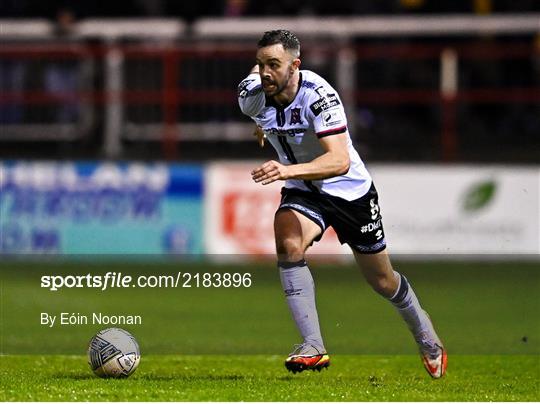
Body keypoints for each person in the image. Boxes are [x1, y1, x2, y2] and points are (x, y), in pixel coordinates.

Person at [237, 30, 447, 378]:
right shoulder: (252, 93)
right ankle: (313, 346)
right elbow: (258, 111)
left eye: (274, 64)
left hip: (349, 192)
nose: (265, 73)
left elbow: (339, 162)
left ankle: (425, 334)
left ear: (295, 66)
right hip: (304, 189)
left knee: (382, 281)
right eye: (261, 65)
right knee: (287, 241)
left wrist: (286, 168)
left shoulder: (319, 97)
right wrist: (261, 126)